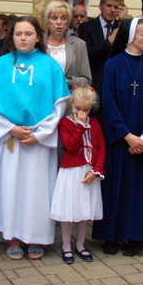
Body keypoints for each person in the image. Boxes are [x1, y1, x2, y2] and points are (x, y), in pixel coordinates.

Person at [0, 16, 69, 260]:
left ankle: (36, 237)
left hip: (37, 141)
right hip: (9, 140)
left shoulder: (50, 66)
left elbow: (58, 106)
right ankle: (13, 236)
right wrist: (10, 129)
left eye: (28, 33)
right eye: (18, 34)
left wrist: (40, 135)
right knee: (11, 188)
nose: (23, 38)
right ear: (11, 37)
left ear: (38, 36)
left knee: (36, 190)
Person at [93, 17, 143, 256]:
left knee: (140, 189)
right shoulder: (112, 65)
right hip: (119, 140)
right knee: (115, 187)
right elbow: (108, 103)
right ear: (132, 36)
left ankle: (136, 236)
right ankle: (111, 235)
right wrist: (127, 136)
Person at [50, 85, 105, 264]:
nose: (81, 113)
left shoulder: (95, 124)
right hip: (71, 171)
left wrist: (97, 169)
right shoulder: (65, 123)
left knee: (84, 210)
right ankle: (66, 245)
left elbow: (100, 148)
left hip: (88, 172)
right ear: (71, 105)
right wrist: (80, 126)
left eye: (86, 110)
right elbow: (70, 146)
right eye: (77, 109)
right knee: (69, 209)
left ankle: (81, 244)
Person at [77, 0, 129, 97]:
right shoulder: (87, 27)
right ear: (100, 6)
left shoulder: (122, 26)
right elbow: (88, 55)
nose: (112, 10)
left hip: (116, 82)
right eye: (109, 6)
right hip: (95, 82)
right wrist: (109, 41)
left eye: (116, 7)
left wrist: (127, 22)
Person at [45, 1, 92, 89]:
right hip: (41, 97)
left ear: (68, 22)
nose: (59, 22)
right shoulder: (38, 42)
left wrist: (68, 81)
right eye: (54, 18)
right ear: (47, 21)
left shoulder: (79, 44)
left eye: (63, 18)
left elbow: (87, 80)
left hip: (68, 98)